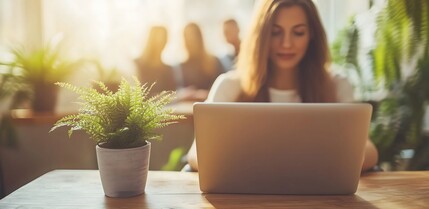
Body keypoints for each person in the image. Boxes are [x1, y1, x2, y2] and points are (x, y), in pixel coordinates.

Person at [186, 0, 378, 172]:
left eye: (298, 32)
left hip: (321, 203)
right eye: (275, 32)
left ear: (312, 34)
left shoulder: (337, 85)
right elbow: (197, 154)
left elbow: (368, 152)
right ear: (261, 36)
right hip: (244, 203)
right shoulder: (229, 86)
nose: (286, 43)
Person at [174, 22, 225, 102]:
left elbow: (223, 90)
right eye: (187, 36)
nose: (190, 39)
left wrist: (207, 94)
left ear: (199, 37)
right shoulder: (181, 66)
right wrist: (184, 94)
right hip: (187, 109)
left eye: (193, 35)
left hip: (209, 107)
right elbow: (176, 90)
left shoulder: (214, 61)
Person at [135, 26, 176, 95]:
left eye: (163, 39)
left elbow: (171, 96)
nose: (160, 43)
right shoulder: (136, 65)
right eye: (157, 40)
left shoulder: (168, 70)